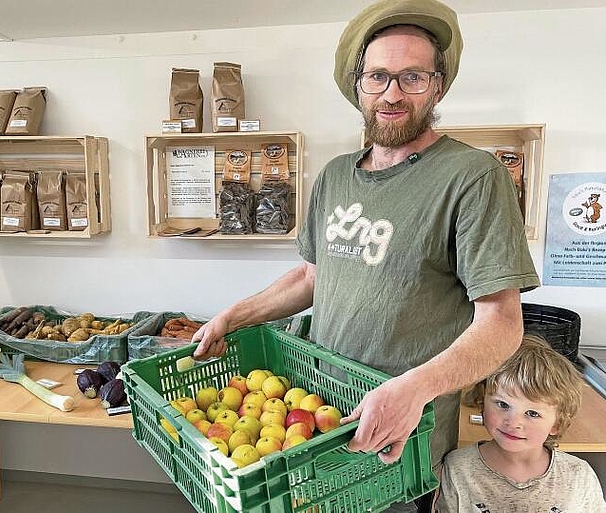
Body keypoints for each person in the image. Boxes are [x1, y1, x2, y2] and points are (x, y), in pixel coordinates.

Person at [194, 0, 539, 508]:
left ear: (438, 86)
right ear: (358, 86)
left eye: (412, 77)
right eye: (378, 77)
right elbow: (312, 277)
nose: (393, 94)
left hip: (402, 434)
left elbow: (503, 323)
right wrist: (233, 315)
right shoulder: (335, 175)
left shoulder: (473, 176)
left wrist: (413, 390)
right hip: (314, 409)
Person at [435, 335, 606, 512]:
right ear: (482, 402)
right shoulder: (457, 468)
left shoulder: (578, 476)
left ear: (557, 424)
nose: (514, 422)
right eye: (503, 404)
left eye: (532, 413)